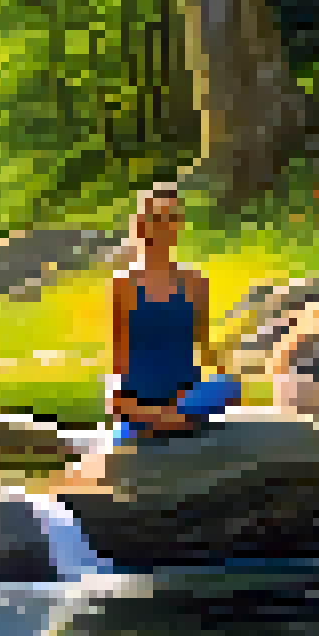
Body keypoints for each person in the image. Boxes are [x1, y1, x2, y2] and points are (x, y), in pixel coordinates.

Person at [107, 185, 239, 445]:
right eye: (158, 218)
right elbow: (119, 354)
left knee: (229, 386)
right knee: (119, 404)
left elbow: (203, 345)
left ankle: (163, 420)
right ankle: (165, 420)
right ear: (142, 226)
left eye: (172, 218)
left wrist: (225, 378)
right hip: (142, 396)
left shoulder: (196, 283)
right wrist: (116, 397)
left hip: (184, 394)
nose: (166, 226)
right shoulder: (124, 284)